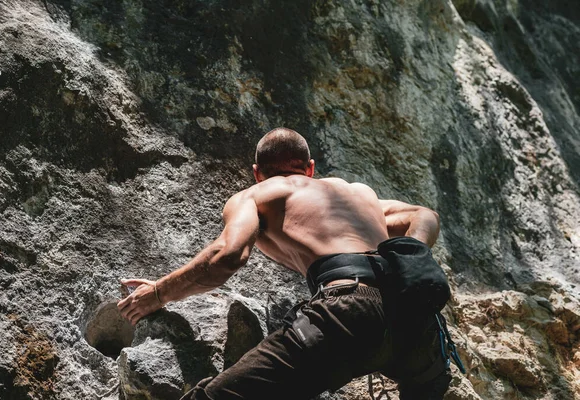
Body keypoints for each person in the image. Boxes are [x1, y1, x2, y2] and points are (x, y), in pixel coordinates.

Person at [117, 127, 453, 399]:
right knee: (429, 385)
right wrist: (409, 255)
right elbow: (425, 215)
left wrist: (159, 292)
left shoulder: (259, 194)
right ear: (310, 168)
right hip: (413, 318)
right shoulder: (357, 192)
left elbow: (227, 256)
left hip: (346, 310)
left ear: (257, 173)